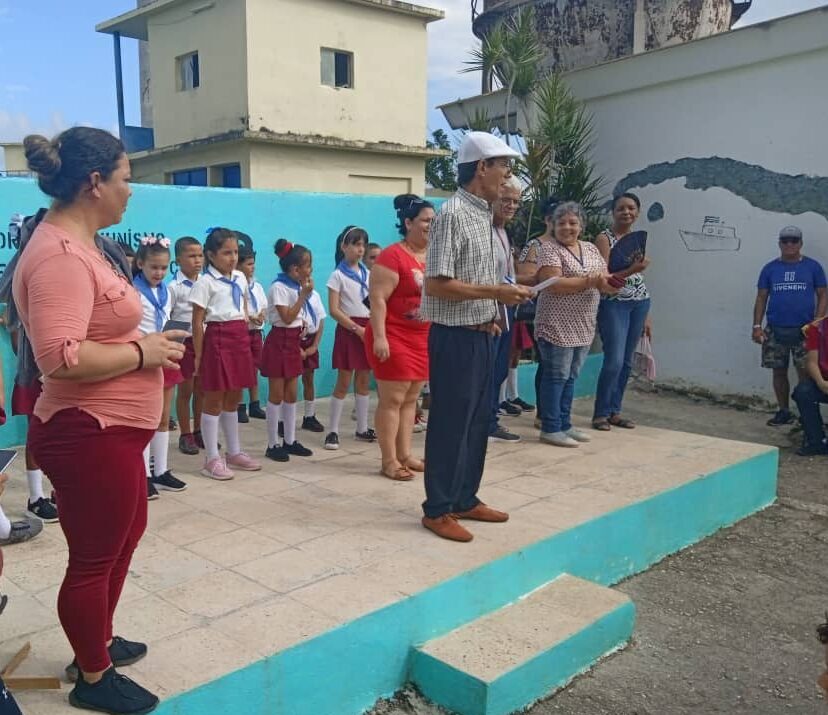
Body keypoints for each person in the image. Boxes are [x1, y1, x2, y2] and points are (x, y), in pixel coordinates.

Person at [14, 127, 186, 714]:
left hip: (110, 431)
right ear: (94, 184)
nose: (130, 191)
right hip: (86, 430)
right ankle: (93, 675)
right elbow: (60, 356)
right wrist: (144, 353)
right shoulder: (59, 254)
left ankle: (97, 641)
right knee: (93, 556)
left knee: (121, 539)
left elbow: (95, 330)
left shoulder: (81, 246)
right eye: (125, 178)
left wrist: (143, 343)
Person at [420, 131, 531, 543]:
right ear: (481, 168)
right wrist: (496, 294)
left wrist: (492, 311)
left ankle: (465, 497)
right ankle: (437, 509)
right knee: (451, 423)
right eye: (503, 166)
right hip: (455, 339)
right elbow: (437, 285)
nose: (507, 175)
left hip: (486, 332)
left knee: (479, 419)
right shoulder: (451, 214)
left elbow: (479, 278)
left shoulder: (485, 215)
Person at [535, 202, 615, 447]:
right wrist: (589, 281)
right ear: (553, 225)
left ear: (581, 226)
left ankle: (565, 424)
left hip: (583, 323)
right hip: (556, 323)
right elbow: (554, 284)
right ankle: (550, 427)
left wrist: (611, 282)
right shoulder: (549, 249)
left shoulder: (590, 249)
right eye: (561, 223)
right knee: (556, 375)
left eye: (572, 223)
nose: (567, 228)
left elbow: (604, 278)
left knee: (571, 376)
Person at [366, 194, 434, 481]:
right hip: (393, 333)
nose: (431, 226)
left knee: (411, 399)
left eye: (434, 221)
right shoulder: (392, 256)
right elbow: (378, 299)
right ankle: (389, 460)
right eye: (426, 221)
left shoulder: (433, 255)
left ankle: (405, 454)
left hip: (422, 336)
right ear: (408, 223)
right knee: (392, 399)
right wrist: (380, 337)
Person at [0, 211, 57, 532]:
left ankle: (58, 488)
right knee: (38, 432)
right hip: (37, 369)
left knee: (62, 433)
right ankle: (35, 497)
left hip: (67, 368)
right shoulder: (21, 270)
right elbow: (13, 323)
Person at [190, 228, 262, 480]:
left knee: (234, 397)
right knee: (214, 399)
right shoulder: (205, 282)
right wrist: (199, 355)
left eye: (235, 253)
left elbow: (241, 306)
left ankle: (234, 452)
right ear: (210, 255)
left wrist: (247, 320)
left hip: (239, 337)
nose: (232, 258)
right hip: (217, 340)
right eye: (226, 253)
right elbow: (197, 322)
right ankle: (211, 458)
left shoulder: (240, 278)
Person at [753, 226, 827, 426]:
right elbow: (761, 297)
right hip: (776, 329)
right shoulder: (770, 269)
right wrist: (756, 326)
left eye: (794, 240)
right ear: (779, 244)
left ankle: (806, 415)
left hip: (804, 331)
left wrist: (817, 323)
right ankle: (784, 411)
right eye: (785, 241)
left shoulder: (813, 267)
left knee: (806, 372)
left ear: (800, 243)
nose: (789, 244)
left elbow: (822, 294)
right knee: (778, 371)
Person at [134, 236, 188, 499]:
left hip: (166, 356)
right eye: (154, 267)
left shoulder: (166, 291)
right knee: (147, 418)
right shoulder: (132, 290)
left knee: (164, 417)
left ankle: (162, 470)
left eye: (164, 268)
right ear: (140, 264)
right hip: (145, 359)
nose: (159, 273)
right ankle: (142, 475)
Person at [592, 193, 652, 431]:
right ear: (613, 212)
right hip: (613, 303)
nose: (626, 212)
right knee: (614, 360)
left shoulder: (637, 239)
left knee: (627, 362)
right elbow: (604, 276)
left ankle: (615, 411)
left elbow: (640, 279)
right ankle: (600, 414)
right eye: (621, 208)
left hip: (639, 302)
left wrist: (647, 316)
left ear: (637, 212)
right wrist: (632, 268)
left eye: (631, 208)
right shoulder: (604, 238)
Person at [262, 239, 315, 461]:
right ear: (295, 269)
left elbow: (297, 318)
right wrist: (303, 296)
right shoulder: (279, 287)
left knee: (292, 393)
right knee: (276, 394)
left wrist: (303, 324)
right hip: (279, 342)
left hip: (293, 341)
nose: (310, 270)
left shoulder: (295, 286)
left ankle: (290, 440)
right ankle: (272, 443)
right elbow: (286, 317)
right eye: (307, 265)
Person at [324, 226, 377, 450]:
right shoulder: (337, 275)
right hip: (349, 330)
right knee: (343, 382)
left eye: (363, 245)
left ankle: (362, 428)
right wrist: (357, 329)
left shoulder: (368, 273)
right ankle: (333, 431)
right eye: (356, 244)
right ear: (343, 247)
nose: (360, 249)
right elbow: (334, 310)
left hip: (368, 328)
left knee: (363, 380)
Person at [516, 196, 558, 428]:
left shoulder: (572, 246)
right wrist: (549, 277)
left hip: (565, 312)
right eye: (555, 218)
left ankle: (556, 412)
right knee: (547, 362)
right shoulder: (535, 246)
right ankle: (544, 414)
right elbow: (522, 277)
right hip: (540, 311)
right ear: (547, 219)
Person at [488, 178, 524, 442]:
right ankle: (484, 422)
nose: (511, 206)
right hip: (490, 310)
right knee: (488, 370)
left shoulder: (503, 232)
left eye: (516, 202)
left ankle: (491, 418)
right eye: (507, 200)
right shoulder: (485, 232)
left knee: (500, 368)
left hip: (507, 307)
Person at [169, 236, 205, 455]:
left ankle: (200, 430)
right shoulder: (175, 287)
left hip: (204, 340)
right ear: (178, 259)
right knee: (186, 391)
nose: (197, 260)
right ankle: (185, 434)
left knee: (203, 390)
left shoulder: (206, 283)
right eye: (191, 256)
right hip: (184, 342)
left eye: (200, 255)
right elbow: (169, 317)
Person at [236, 244, 268, 424]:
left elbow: (263, 305)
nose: (252, 267)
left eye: (253, 263)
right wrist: (251, 317)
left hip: (257, 332)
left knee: (254, 368)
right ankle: (240, 405)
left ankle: (254, 404)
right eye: (248, 264)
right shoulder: (237, 286)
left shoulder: (257, 286)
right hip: (243, 332)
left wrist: (261, 315)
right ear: (239, 266)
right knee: (242, 369)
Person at [792, 316, 828, 455]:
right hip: (823, 381)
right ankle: (816, 442)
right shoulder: (817, 328)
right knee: (803, 392)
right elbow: (811, 361)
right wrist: (821, 382)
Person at [299, 281, 327, 434]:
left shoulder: (315, 296)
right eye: (305, 279)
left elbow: (321, 321)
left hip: (311, 340)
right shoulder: (293, 295)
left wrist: (314, 346)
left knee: (309, 379)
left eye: (311, 278)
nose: (309, 282)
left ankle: (309, 416)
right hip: (293, 341)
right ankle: (282, 420)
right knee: (287, 382)